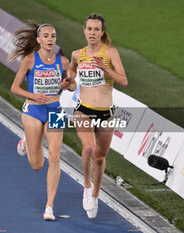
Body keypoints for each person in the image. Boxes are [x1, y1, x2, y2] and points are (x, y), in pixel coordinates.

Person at [9, 22, 76, 221]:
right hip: (33, 109)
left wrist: (67, 84)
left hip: (55, 109)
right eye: (46, 36)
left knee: (55, 157)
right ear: (38, 40)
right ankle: (27, 142)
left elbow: (72, 87)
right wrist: (33, 95)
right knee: (37, 164)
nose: (50, 39)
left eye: (53, 36)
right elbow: (14, 88)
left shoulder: (63, 62)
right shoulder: (29, 60)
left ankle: (49, 207)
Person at [69, 13, 128, 218]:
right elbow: (72, 76)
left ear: (102, 32)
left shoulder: (110, 52)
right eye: (89, 29)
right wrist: (69, 83)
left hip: (106, 113)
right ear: (84, 31)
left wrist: (105, 69)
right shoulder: (77, 54)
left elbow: (123, 81)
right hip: (83, 110)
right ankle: (86, 186)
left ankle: (95, 196)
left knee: (100, 158)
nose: (92, 32)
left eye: (96, 29)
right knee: (88, 148)